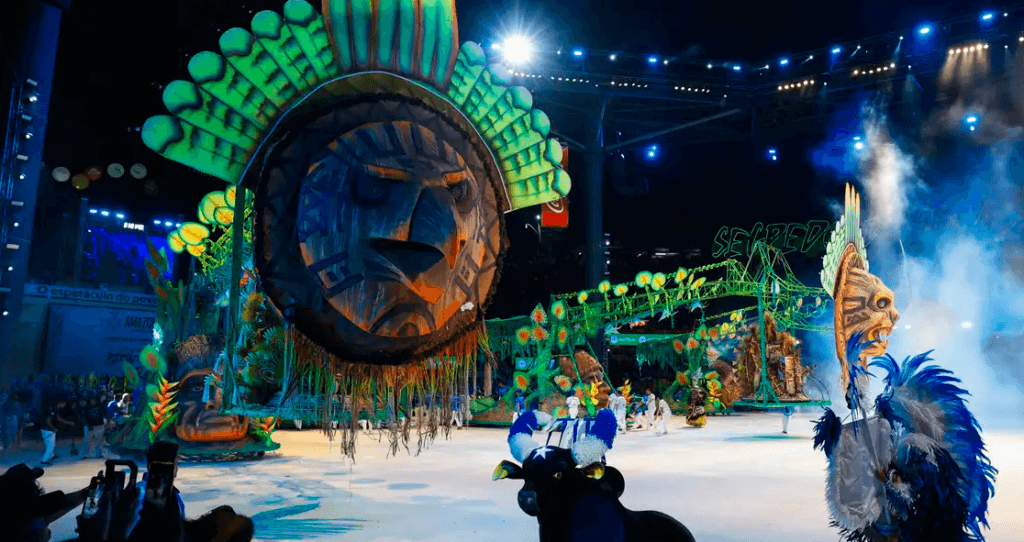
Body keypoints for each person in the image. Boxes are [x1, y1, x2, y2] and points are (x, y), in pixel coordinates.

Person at [0, 463, 90, 542]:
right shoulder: (28, 518)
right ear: (26, 534)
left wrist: (85, 493)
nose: (47, 520)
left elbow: (61, 505)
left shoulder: (17, 514)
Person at [40, 398, 73, 466]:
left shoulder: (55, 409)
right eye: (64, 404)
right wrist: (54, 428)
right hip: (48, 430)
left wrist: (69, 423)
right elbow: (48, 421)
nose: (64, 406)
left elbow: (59, 419)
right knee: (50, 446)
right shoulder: (53, 410)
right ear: (61, 403)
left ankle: (51, 455)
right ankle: (44, 460)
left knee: (51, 444)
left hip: (48, 429)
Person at [83, 394, 106, 458]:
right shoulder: (86, 407)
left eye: (94, 399)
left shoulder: (100, 406)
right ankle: (85, 455)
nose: (93, 400)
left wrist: (109, 420)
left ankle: (99, 454)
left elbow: (106, 413)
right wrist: (88, 425)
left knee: (99, 441)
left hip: (99, 426)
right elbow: (84, 417)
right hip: (89, 426)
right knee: (86, 442)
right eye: (92, 399)